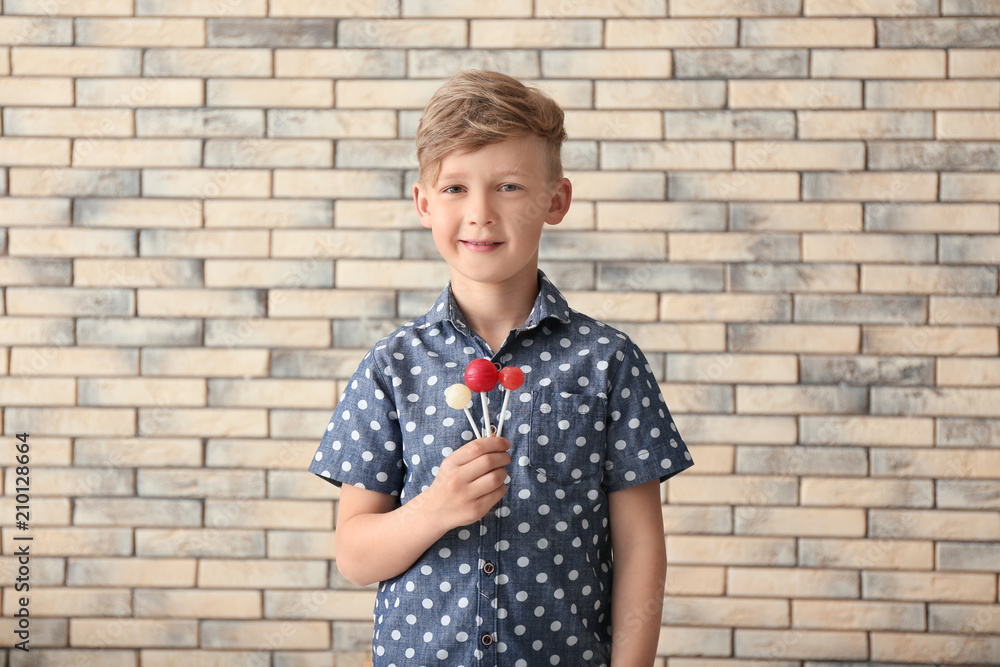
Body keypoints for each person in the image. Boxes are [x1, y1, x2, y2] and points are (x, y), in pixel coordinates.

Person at [308, 69, 694, 667]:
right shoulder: (393, 368)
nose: (481, 213)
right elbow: (356, 557)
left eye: (509, 186)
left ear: (556, 200)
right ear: (424, 204)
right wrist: (437, 508)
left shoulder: (607, 362)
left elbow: (640, 545)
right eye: (456, 188)